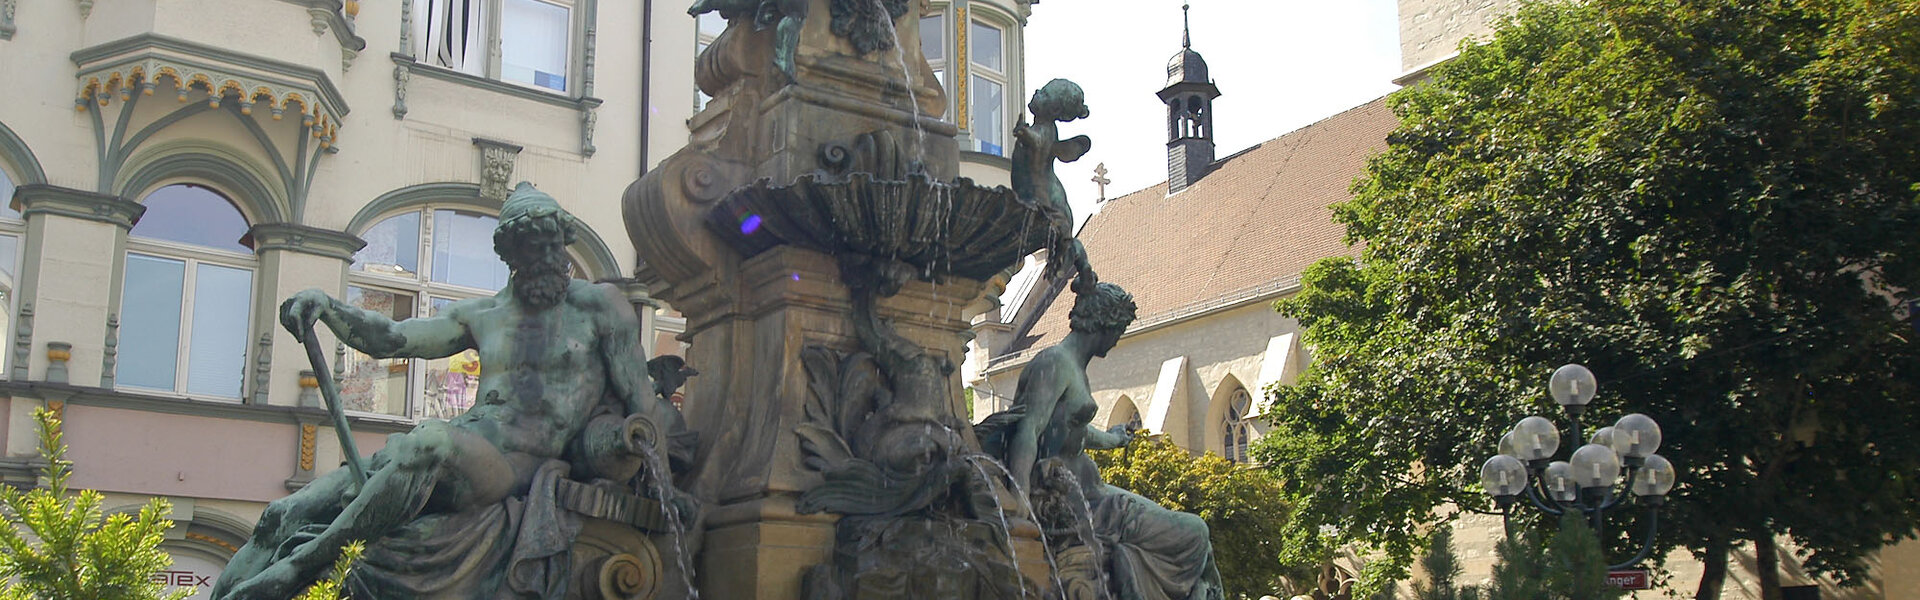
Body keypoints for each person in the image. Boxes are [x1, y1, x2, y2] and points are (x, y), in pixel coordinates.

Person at [213, 183, 685, 599]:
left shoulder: (601, 307)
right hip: (460, 446)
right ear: (509, 255)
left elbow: (638, 407)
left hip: (512, 467)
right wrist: (332, 309)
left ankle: (306, 562)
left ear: (564, 242)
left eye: (549, 244)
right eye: (527, 247)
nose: (542, 257)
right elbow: (396, 338)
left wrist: (662, 483)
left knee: (430, 441)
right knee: (283, 512)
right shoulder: (484, 314)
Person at [978, 281, 1224, 600]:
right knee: (1195, 533)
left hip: (1089, 490)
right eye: (1119, 328)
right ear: (1106, 323)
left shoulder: (1074, 367)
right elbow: (1028, 430)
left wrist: (1112, 440)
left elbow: (1068, 429)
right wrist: (1019, 499)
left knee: (1198, 540)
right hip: (1072, 499)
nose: (1118, 338)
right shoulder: (1054, 363)